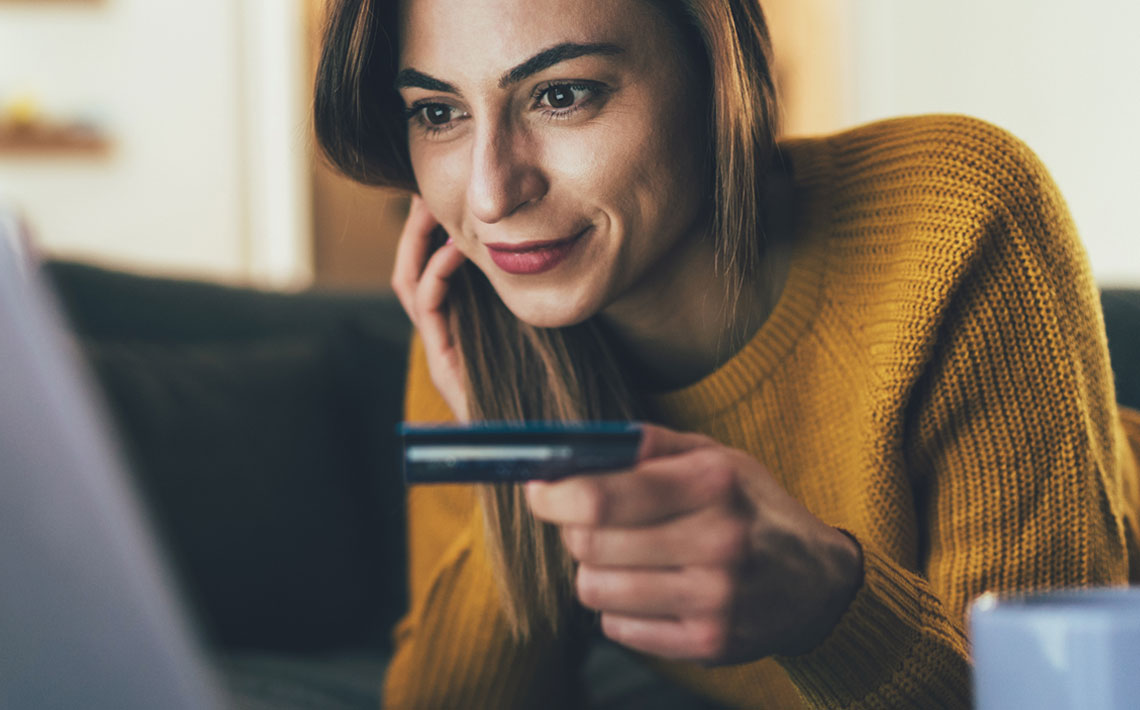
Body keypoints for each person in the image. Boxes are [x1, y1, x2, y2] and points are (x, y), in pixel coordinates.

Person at [313, 0, 1140, 707]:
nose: (492, 195)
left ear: (717, 69)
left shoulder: (958, 219)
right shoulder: (483, 317)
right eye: (437, 112)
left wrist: (828, 604)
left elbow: (1055, 695)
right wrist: (518, 459)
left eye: (562, 95)